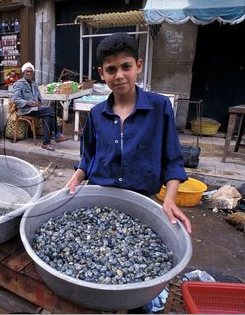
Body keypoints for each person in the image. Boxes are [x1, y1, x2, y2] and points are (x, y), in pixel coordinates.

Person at [66, 33, 192, 234]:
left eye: (126, 66)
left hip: (141, 202)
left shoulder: (160, 107)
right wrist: (75, 180)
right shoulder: (96, 114)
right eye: (111, 69)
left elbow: (173, 161)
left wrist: (169, 199)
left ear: (138, 66)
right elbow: (88, 158)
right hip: (98, 197)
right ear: (102, 73)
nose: (119, 75)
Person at [11, 62, 69, 151]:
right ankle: (57, 134)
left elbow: (39, 97)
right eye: (27, 72)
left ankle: (46, 143)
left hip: (35, 108)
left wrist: (39, 102)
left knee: (48, 116)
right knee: (50, 110)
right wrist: (28, 103)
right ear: (23, 73)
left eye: (31, 72)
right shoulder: (18, 84)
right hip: (25, 109)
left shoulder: (34, 84)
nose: (29, 73)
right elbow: (16, 99)